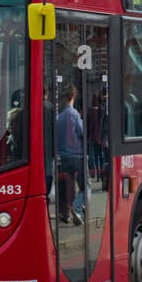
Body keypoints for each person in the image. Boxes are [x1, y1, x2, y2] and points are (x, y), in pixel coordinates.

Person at [55, 85, 85, 225]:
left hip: (63, 155)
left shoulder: (58, 117)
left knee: (68, 184)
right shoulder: (74, 114)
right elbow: (81, 132)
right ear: (74, 96)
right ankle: (76, 208)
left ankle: (66, 213)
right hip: (76, 154)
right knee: (83, 186)